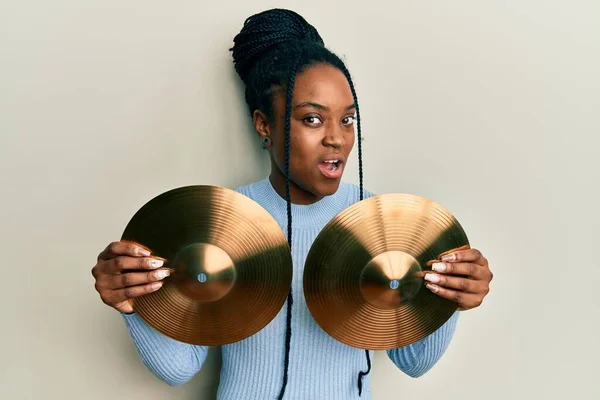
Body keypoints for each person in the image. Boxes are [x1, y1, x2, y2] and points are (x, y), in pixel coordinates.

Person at [91, 8, 493, 400]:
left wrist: (452, 297)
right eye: (313, 119)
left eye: (348, 119)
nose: (336, 138)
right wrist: (131, 304)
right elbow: (179, 369)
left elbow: (414, 361)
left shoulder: (389, 224)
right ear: (264, 125)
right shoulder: (217, 221)